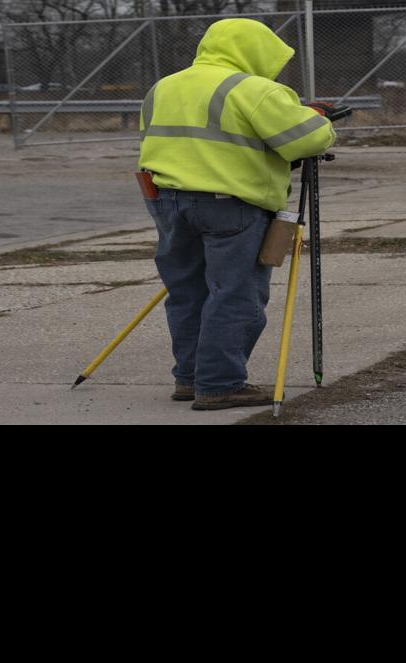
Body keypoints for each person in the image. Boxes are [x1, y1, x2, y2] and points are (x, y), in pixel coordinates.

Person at [137, 17, 336, 410]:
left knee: (187, 291)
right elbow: (308, 139)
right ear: (256, 51)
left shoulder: (164, 86)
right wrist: (316, 117)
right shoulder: (254, 89)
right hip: (229, 205)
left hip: (166, 201)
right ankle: (220, 384)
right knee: (235, 294)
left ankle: (190, 379)